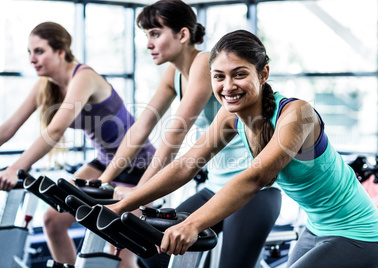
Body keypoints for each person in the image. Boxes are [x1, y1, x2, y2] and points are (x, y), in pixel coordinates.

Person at [108, 29, 378, 268]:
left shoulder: (297, 114)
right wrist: (121, 206)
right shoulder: (230, 116)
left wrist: (192, 224)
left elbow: (256, 178)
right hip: (316, 228)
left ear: (263, 74)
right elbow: (185, 166)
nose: (228, 86)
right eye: (219, 76)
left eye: (239, 74)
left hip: (358, 232)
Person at [98, 1, 281, 267]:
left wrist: (140, 192)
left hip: (252, 192)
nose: (148, 43)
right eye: (146, 35)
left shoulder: (204, 64)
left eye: (155, 34)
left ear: (183, 35)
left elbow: (175, 134)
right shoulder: (173, 73)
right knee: (152, 251)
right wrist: (105, 181)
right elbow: (141, 127)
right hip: (214, 189)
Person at [0, 22, 155, 266]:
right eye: (29, 52)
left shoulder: (84, 77)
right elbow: (9, 128)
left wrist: (16, 169)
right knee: (53, 220)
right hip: (104, 162)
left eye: (39, 51)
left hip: (139, 166)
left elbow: (56, 129)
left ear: (61, 52)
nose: (32, 59)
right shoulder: (46, 84)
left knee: (120, 251)